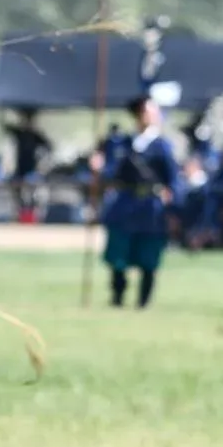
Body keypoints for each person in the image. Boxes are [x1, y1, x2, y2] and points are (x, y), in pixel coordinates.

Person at [90, 93, 179, 308]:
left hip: (150, 207)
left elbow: (173, 178)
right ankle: (117, 297)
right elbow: (111, 173)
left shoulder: (162, 146)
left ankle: (143, 301)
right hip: (125, 203)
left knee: (149, 256)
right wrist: (99, 167)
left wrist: (174, 205)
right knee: (118, 255)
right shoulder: (121, 143)